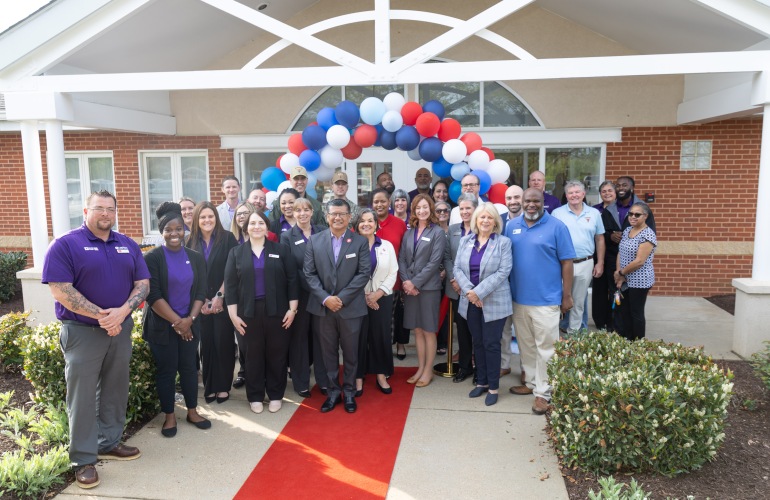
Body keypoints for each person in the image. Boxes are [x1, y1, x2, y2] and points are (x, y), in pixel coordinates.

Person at [42, 190, 149, 489]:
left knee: (116, 389)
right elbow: (60, 289)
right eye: (99, 208)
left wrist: (123, 312)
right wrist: (104, 316)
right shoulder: (66, 244)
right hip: (82, 333)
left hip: (121, 329)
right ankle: (84, 459)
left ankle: (109, 442)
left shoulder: (127, 244)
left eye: (110, 209)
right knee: (83, 396)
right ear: (86, 210)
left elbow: (143, 284)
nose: (105, 214)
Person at [504, 188, 575, 415]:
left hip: (546, 300)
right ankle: (532, 383)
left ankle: (544, 394)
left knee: (547, 348)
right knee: (526, 345)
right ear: (522, 202)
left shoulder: (557, 227)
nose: (531, 204)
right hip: (518, 299)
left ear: (544, 202)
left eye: (536, 200)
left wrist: (567, 294)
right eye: (527, 201)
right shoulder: (511, 226)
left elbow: (567, 263)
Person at [142, 202, 210, 438]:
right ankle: (170, 416)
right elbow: (153, 295)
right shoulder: (153, 258)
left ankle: (192, 411)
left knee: (189, 368)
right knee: (167, 371)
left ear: (185, 230)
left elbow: (201, 291)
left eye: (178, 228)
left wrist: (189, 319)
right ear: (162, 232)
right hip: (162, 326)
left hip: (189, 324)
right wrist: (178, 323)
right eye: (169, 229)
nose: (174, 233)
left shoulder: (195, 257)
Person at [225, 211, 299, 414]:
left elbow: (293, 281)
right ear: (245, 227)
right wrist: (233, 315)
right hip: (248, 313)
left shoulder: (281, 250)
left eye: (260, 223)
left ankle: (275, 394)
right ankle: (255, 395)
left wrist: (293, 309)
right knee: (252, 356)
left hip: (278, 311)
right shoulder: (236, 253)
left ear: (267, 227)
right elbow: (230, 287)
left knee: (277, 354)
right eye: (252, 223)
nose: (256, 226)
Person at [304, 199, 370, 414]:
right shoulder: (314, 241)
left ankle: (350, 391)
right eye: (334, 213)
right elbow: (309, 274)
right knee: (328, 353)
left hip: (350, 308)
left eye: (342, 214)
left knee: (351, 353)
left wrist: (340, 298)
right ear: (326, 216)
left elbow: (363, 274)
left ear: (349, 217)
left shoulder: (359, 242)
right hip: (323, 309)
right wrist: (326, 298)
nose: (338, 217)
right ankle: (333, 392)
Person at [453, 202, 512, 406]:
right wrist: (471, 293)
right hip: (470, 302)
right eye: (482, 217)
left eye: (489, 217)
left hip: (494, 301)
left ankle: (494, 387)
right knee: (477, 342)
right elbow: (457, 269)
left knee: (491, 344)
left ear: (495, 221)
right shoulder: (465, 241)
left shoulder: (503, 243)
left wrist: (478, 293)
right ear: (476, 220)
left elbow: (503, 272)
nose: (485, 220)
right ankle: (482, 382)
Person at [186, 202, 238, 405]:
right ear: (197, 220)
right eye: (203, 217)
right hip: (200, 301)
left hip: (223, 300)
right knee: (206, 344)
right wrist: (203, 300)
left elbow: (232, 269)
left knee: (223, 343)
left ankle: (223, 387)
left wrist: (219, 296)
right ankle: (210, 386)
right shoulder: (189, 241)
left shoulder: (227, 238)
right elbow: (189, 274)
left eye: (210, 216)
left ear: (216, 218)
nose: (207, 220)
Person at [398, 194, 447, 388]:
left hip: (428, 289)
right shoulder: (409, 233)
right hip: (410, 288)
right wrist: (406, 282)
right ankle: (420, 368)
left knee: (428, 330)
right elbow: (401, 258)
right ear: (414, 210)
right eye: (418, 207)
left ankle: (428, 370)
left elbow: (435, 263)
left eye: (425, 207)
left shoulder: (437, 233)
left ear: (431, 209)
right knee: (417, 330)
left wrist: (415, 283)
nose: (422, 211)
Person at [280, 197, 327, 398]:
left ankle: (324, 381)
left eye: (306, 209)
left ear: (312, 212)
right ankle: (301, 383)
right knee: (299, 339)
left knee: (322, 338)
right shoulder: (287, 237)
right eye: (298, 210)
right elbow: (290, 270)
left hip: (321, 295)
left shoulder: (323, 232)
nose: (302, 213)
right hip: (299, 295)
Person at [552, 180, 605, 335]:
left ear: (583, 194)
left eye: (577, 192)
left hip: (585, 262)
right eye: (570, 192)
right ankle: (554, 331)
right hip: (561, 264)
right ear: (566, 195)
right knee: (558, 299)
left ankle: (573, 333)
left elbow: (600, 239)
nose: (574, 195)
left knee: (579, 301)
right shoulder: (557, 213)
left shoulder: (594, 214)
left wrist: (599, 262)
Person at [354, 209, 398, 395]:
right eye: (362, 221)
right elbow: (347, 274)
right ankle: (357, 377)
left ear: (376, 223)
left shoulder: (386, 245)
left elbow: (393, 271)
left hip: (382, 299)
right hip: (357, 299)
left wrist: (378, 293)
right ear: (357, 225)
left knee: (380, 336)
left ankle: (381, 374)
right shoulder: (352, 245)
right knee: (358, 338)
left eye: (370, 220)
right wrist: (364, 296)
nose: (366, 224)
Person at [370, 188, 408, 360]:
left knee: (390, 320)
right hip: (369, 284)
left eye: (383, 201)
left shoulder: (399, 224)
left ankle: (387, 354)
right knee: (373, 322)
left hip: (393, 280)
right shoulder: (367, 223)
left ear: (389, 202)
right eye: (376, 202)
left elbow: (404, 253)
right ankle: (374, 354)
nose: (379, 205)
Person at [444, 193, 478, 383]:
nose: (465, 212)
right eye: (462, 208)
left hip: (476, 290)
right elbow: (447, 257)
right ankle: (465, 367)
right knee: (463, 331)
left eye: (468, 208)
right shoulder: (453, 229)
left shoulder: (482, 227)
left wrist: (470, 286)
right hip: (456, 289)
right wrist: (454, 279)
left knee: (477, 331)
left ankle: (479, 369)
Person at [613, 202, 657, 341]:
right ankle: (627, 339)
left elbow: (639, 261)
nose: (632, 217)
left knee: (636, 313)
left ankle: (638, 343)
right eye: (630, 214)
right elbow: (621, 252)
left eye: (637, 215)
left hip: (640, 280)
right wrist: (618, 273)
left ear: (645, 216)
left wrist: (621, 273)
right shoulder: (627, 231)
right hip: (624, 277)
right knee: (624, 311)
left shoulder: (648, 235)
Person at [500, 185, 524, 382]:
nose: (513, 201)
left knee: (523, 330)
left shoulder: (533, 220)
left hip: (524, 283)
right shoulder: (498, 220)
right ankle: (504, 364)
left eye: (517, 197)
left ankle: (526, 368)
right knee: (503, 328)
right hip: (501, 284)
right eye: (509, 197)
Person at [592, 180, 619, 331]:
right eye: (604, 191)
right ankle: (599, 320)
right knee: (599, 288)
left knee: (614, 288)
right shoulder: (594, 210)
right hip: (598, 253)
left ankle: (613, 320)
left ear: (615, 193)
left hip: (616, 255)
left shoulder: (622, 210)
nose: (607, 193)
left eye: (610, 190)